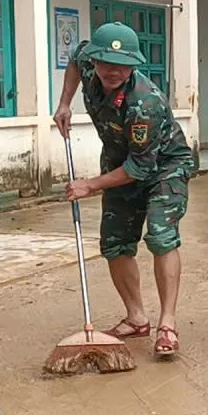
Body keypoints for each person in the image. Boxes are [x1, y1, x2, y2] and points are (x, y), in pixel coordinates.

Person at [52, 22, 194, 357]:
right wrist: (64, 103)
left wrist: (89, 185)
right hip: (119, 159)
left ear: (133, 65)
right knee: (115, 243)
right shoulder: (88, 63)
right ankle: (136, 318)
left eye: (121, 65)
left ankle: (167, 325)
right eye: (105, 63)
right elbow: (74, 59)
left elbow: (140, 168)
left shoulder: (145, 104)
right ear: (95, 59)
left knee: (160, 236)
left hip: (164, 167)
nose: (112, 71)